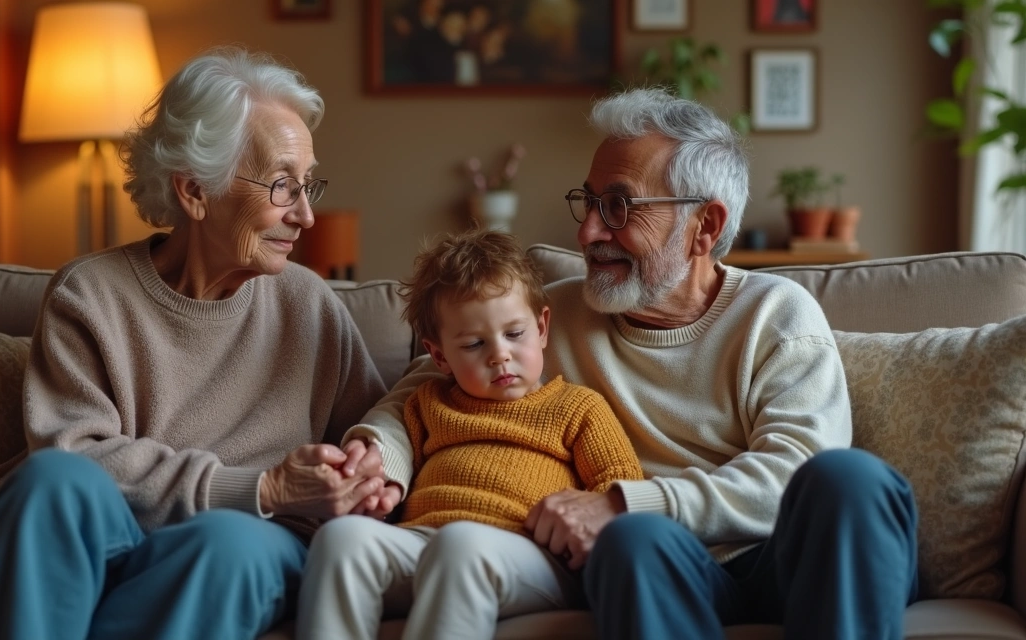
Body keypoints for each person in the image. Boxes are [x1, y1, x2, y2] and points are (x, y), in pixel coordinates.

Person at [357, 89, 919, 639]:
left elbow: (792, 470)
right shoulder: (553, 317)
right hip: (664, 564)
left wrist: (625, 501)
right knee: (631, 540)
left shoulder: (776, 314)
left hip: (783, 556)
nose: (587, 232)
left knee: (851, 479)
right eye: (589, 202)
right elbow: (425, 385)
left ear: (705, 227)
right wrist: (379, 458)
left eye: (619, 206)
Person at [0, 48, 404, 640]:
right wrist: (262, 486)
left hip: (246, 544)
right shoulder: (91, 294)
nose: (306, 216)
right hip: (110, 537)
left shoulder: (309, 304)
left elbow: (382, 425)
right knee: (52, 480)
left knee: (231, 545)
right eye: (284, 186)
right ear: (195, 190)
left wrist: (372, 467)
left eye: (308, 185)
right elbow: (74, 452)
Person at [296, 229, 644, 640]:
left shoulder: (578, 407)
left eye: (514, 334)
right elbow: (389, 472)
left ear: (541, 327)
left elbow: (620, 487)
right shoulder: (426, 404)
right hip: (423, 543)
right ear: (439, 356)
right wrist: (371, 496)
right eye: (475, 343)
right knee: (341, 539)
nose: (499, 354)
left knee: (460, 545)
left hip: (530, 556)